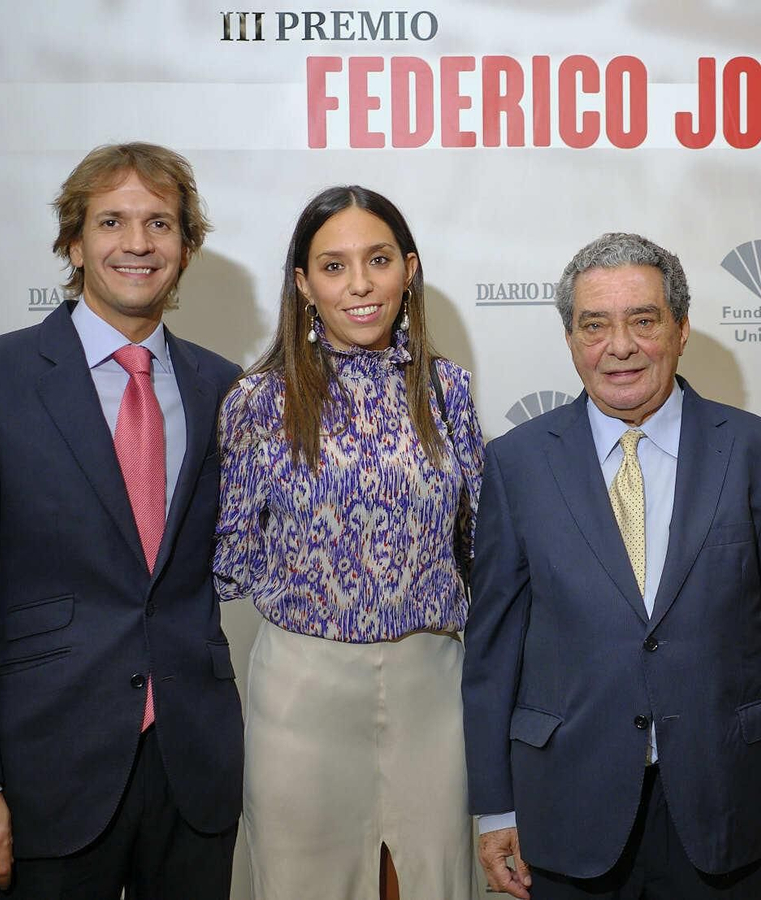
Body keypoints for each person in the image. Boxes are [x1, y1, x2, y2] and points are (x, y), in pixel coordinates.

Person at [463, 232, 761, 900]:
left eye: (643, 320)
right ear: (572, 340)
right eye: (595, 325)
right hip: (569, 811)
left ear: (682, 328)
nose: (621, 346)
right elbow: (492, 657)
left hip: (730, 808)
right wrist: (495, 808)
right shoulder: (516, 464)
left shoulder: (758, 452)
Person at [0, 142, 244, 898]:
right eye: (112, 222)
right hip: (41, 778)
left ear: (187, 248)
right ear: (74, 241)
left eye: (160, 223)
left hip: (193, 774)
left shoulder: (227, 389)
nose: (137, 244)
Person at [213, 185, 485, 899]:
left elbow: (478, 544)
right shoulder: (257, 403)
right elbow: (231, 559)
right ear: (303, 285)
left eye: (379, 260)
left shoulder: (448, 392)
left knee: (436, 883)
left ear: (410, 269)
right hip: (302, 698)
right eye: (333, 267)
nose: (360, 285)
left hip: (433, 691)